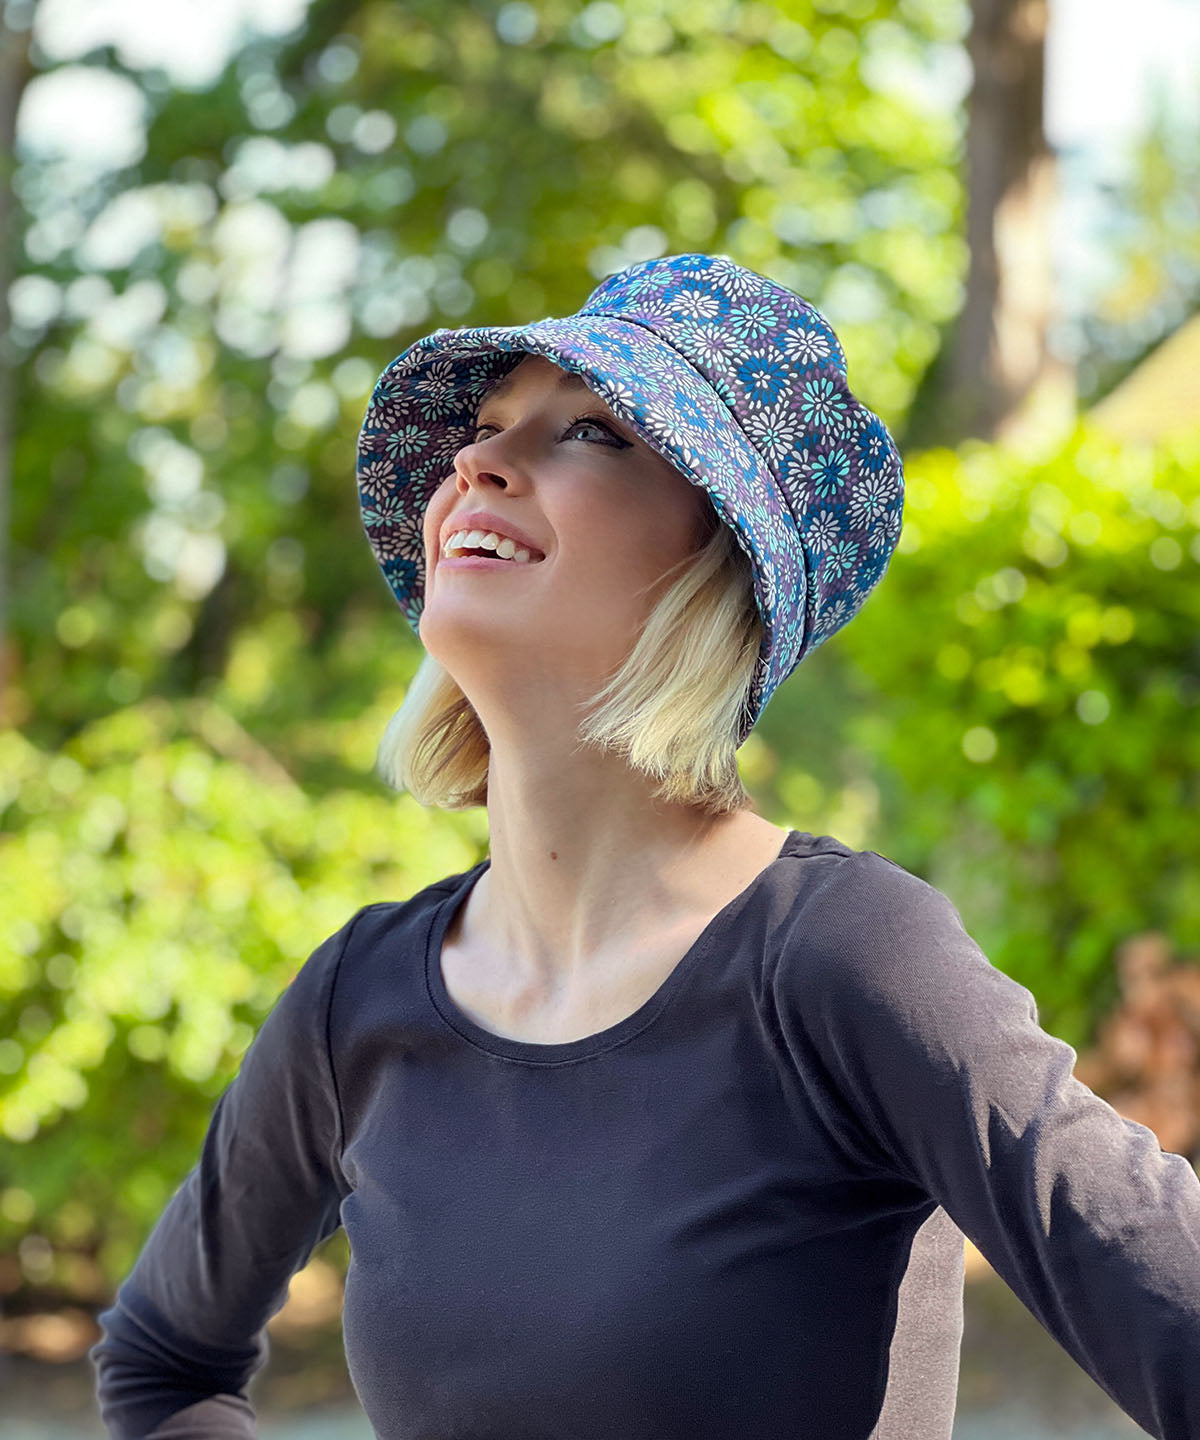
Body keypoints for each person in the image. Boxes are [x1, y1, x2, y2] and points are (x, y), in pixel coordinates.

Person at [89, 254, 1200, 1439]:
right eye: (486, 426)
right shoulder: (356, 998)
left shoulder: (847, 958)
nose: (478, 462)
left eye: (591, 434)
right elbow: (163, 1361)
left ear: (713, 567)